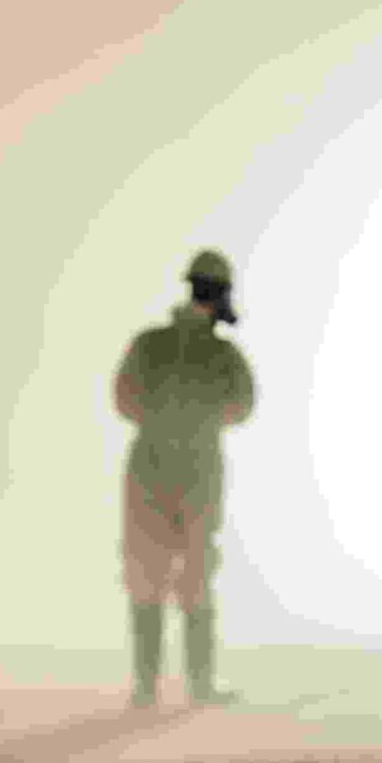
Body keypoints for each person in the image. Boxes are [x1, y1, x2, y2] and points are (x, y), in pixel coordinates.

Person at [115, 248, 256, 707]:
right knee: (194, 575)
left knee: (147, 576)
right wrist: (201, 422)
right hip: (197, 471)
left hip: (149, 467)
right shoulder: (222, 354)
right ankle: (199, 688)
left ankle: (145, 689)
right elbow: (243, 407)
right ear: (219, 297)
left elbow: (124, 399)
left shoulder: (149, 344)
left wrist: (162, 423)